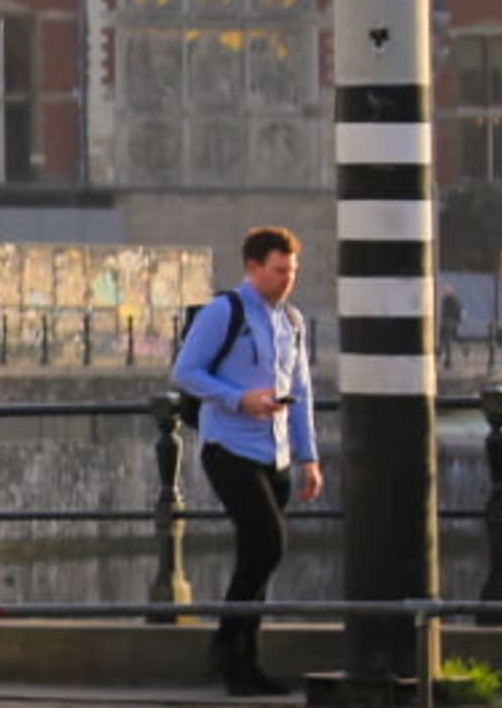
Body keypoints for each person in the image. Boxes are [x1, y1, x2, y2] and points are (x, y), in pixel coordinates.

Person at [170, 227, 323, 698]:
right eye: (278, 271)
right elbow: (185, 372)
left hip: (273, 451)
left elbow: (301, 392)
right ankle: (225, 643)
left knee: (258, 556)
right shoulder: (225, 312)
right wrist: (239, 399)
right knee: (268, 543)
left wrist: (308, 457)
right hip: (229, 447)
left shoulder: (290, 321)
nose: (286, 281)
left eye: (292, 272)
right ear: (253, 267)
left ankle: (246, 665)